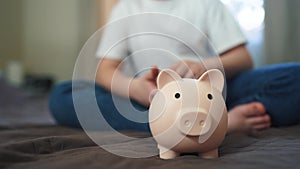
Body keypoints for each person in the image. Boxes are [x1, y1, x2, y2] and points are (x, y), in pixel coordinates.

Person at [49, 0, 300, 135]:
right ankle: (210, 126)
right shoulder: (126, 8)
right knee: (63, 95)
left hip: (210, 94)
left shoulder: (207, 4)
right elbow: (105, 71)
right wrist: (136, 88)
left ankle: (200, 121)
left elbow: (243, 60)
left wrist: (205, 65)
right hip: (151, 103)